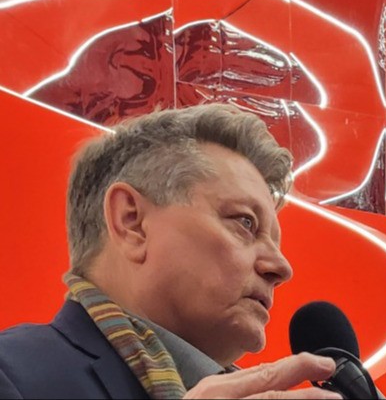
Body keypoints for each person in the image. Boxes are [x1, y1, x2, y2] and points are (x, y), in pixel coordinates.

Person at [0, 104, 342, 399]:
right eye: (245, 222)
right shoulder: (11, 374)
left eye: (275, 242)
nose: (281, 267)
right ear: (132, 222)